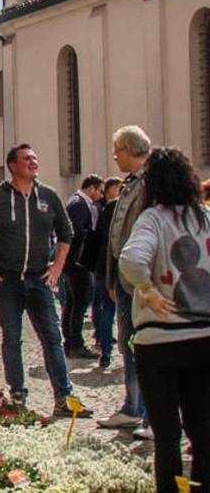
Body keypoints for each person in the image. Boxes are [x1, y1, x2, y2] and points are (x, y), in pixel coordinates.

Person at [0, 144, 91, 417]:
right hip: (6, 280)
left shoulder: (49, 196)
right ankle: (17, 395)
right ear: (12, 166)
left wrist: (57, 267)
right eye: (27, 158)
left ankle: (63, 397)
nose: (33, 162)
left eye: (35, 158)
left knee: (52, 337)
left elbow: (67, 233)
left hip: (39, 278)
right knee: (12, 338)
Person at [119, 147, 210, 492]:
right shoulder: (205, 218)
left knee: (167, 435)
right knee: (204, 432)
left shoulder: (153, 218)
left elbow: (131, 260)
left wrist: (147, 289)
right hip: (204, 338)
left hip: (159, 343)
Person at [97, 126, 152, 437]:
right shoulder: (132, 183)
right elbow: (116, 234)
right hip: (124, 279)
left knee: (142, 345)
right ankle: (133, 406)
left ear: (130, 149)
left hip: (142, 281)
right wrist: (112, 276)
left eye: (117, 149)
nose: (114, 155)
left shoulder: (151, 183)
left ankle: (148, 412)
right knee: (128, 343)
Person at [62, 174, 104, 359]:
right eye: (100, 190)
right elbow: (78, 231)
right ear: (92, 188)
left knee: (73, 302)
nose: (101, 195)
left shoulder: (76, 201)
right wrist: (93, 238)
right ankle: (75, 343)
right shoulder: (79, 204)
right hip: (78, 260)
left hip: (72, 260)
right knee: (80, 301)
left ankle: (71, 341)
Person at [88, 177, 122, 367]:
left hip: (103, 265)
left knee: (106, 309)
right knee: (123, 312)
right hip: (118, 265)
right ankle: (129, 354)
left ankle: (105, 352)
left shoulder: (107, 208)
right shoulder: (126, 209)